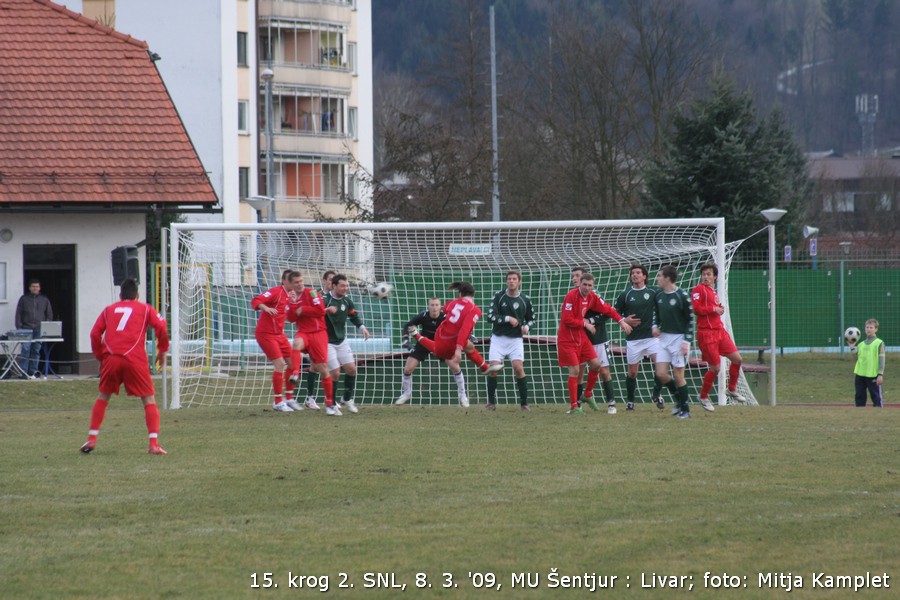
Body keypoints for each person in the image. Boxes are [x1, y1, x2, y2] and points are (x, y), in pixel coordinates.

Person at [80, 278, 169, 455]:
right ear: (137, 295)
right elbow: (161, 326)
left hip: (111, 358)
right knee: (148, 399)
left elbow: (94, 333)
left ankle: (91, 438)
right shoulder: (145, 308)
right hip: (134, 358)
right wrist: (162, 350)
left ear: (120, 295)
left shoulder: (108, 310)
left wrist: (100, 357)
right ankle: (153, 444)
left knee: (103, 397)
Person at [408, 281, 502, 408]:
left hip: (441, 334)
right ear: (473, 294)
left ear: (460, 294)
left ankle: (484, 367)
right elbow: (464, 330)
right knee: (446, 350)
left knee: (469, 346)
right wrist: (458, 349)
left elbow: (446, 308)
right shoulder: (475, 310)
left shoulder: (453, 302)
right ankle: (416, 335)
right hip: (451, 341)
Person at [559, 272, 631, 414]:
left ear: (593, 286)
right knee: (575, 370)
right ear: (580, 283)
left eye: (589, 285)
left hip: (581, 336)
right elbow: (566, 319)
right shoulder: (571, 296)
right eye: (584, 284)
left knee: (597, 364)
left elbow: (608, 310)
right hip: (568, 338)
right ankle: (574, 406)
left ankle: (587, 394)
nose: (586, 288)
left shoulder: (592, 297)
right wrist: (585, 324)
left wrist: (621, 321)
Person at [691, 262, 745, 410]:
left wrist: (718, 308)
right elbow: (696, 309)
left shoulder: (713, 292)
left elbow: (714, 309)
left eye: (709, 274)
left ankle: (731, 389)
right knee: (716, 368)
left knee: (737, 359)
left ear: (715, 277)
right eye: (704, 274)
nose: (705, 277)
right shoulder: (698, 289)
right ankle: (703, 396)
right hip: (707, 333)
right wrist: (713, 309)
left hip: (719, 332)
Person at [287, 273, 341, 415]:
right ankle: (295, 373)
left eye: (301, 281)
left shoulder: (311, 292)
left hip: (318, 333)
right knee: (296, 343)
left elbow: (319, 311)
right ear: (291, 284)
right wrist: (293, 304)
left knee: (323, 368)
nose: (300, 284)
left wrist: (302, 309)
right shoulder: (291, 297)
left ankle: (330, 403)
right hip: (304, 332)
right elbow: (292, 319)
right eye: (296, 282)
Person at [251, 269, 301, 412]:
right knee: (280, 364)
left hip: (280, 334)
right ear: (285, 281)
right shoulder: (276, 291)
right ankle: (278, 401)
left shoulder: (290, 295)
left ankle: (289, 398)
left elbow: (292, 318)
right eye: (292, 281)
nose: (295, 284)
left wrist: (293, 303)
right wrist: (265, 307)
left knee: (293, 363)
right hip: (266, 334)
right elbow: (256, 300)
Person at [485, 270, 535, 411]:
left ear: (519, 282)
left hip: (515, 340)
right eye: (509, 279)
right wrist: (507, 318)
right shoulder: (499, 296)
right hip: (498, 339)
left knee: (519, 368)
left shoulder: (525, 300)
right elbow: (490, 316)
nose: (511, 281)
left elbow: (532, 320)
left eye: (514, 279)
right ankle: (491, 403)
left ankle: (524, 404)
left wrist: (526, 327)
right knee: (494, 369)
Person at [614, 263, 659, 411]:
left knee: (660, 365)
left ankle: (657, 395)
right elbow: (615, 313)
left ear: (644, 276)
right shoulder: (625, 294)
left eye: (638, 272)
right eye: (633, 273)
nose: (635, 275)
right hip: (634, 339)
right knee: (633, 372)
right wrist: (624, 321)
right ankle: (630, 401)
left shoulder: (653, 291)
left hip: (652, 337)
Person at [651, 265, 694, 418]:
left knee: (678, 375)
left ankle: (686, 410)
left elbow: (690, 320)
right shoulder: (659, 295)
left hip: (678, 339)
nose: (657, 279)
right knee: (661, 374)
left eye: (659, 276)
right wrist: (655, 326)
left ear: (667, 278)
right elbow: (655, 313)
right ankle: (678, 400)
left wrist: (686, 341)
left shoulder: (682, 295)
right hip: (663, 339)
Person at [324, 274, 370, 414]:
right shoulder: (324, 300)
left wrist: (362, 328)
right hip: (327, 342)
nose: (346, 288)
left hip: (341, 340)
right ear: (334, 286)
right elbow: (314, 314)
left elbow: (353, 316)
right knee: (335, 372)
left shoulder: (347, 301)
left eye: (347, 286)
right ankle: (330, 404)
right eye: (343, 286)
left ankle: (347, 399)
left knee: (351, 369)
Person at [396, 297, 445, 404]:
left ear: (440, 306)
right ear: (428, 306)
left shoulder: (445, 317)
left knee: (455, 366)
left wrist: (469, 335)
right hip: (424, 342)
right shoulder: (423, 315)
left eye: (437, 305)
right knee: (408, 369)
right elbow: (407, 325)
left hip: (440, 343)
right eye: (432, 305)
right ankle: (407, 393)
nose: (434, 307)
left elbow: (458, 326)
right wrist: (406, 340)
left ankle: (462, 395)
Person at [304, 270, 336, 407]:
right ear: (323, 281)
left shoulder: (339, 297)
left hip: (331, 336)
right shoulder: (316, 295)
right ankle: (313, 398)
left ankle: (325, 399)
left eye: (334, 281)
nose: (332, 283)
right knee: (318, 366)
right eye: (330, 280)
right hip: (316, 334)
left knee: (324, 366)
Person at [15, 279, 53, 379]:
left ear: (39, 288)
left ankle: (33, 372)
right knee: (26, 350)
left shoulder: (44, 299)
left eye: (37, 286)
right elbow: (18, 313)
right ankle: (24, 372)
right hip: (25, 329)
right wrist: (19, 326)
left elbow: (49, 314)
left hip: (39, 329)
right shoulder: (24, 299)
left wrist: (46, 326)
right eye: (33, 286)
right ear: (29, 288)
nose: (35, 288)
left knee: (36, 350)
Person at [849, 319, 885, 407]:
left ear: (876, 329)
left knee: (876, 397)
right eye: (867, 327)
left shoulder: (879, 343)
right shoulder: (861, 344)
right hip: (860, 374)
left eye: (871, 327)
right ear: (864, 329)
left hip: (872, 375)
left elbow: (882, 359)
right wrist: (852, 348)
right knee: (859, 396)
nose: (869, 329)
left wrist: (880, 374)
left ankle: (879, 414)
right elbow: (858, 358)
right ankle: (860, 415)